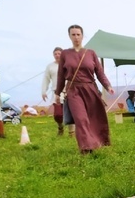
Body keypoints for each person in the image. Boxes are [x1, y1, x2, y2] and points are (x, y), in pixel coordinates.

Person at [54, 24, 114, 154]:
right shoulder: (65, 54)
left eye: (78, 34)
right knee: (81, 119)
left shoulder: (91, 53)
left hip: (90, 89)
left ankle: (97, 141)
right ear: (69, 36)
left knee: (94, 118)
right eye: (73, 34)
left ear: (82, 35)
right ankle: (86, 148)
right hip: (73, 90)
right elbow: (60, 75)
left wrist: (108, 86)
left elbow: (99, 72)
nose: (76, 37)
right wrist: (57, 93)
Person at [41, 47, 70, 136]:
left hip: (68, 92)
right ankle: (60, 127)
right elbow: (46, 79)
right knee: (58, 114)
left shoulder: (67, 65)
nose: (57, 55)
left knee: (70, 113)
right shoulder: (50, 66)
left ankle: (71, 132)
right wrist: (43, 91)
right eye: (55, 54)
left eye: (59, 53)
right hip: (56, 93)